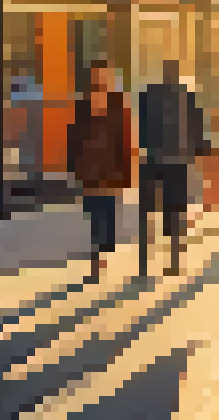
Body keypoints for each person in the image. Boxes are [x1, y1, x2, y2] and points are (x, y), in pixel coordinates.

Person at [137, 59, 209, 277]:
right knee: (174, 212)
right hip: (177, 161)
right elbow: (197, 127)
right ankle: (174, 261)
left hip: (153, 159)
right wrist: (198, 152)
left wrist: (146, 147)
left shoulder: (148, 93)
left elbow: (142, 125)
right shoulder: (187, 95)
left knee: (147, 213)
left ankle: (143, 262)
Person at [67, 60, 133, 276]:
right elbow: (73, 137)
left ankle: (104, 248)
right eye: (97, 76)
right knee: (95, 212)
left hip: (111, 167)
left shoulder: (117, 104)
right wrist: (74, 167)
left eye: (105, 76)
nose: (101, 80)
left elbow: (125, 138)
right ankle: (97, 257)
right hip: (89, 168)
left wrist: (127, 171)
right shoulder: (82, 104)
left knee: (109, 213)